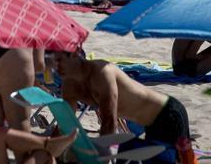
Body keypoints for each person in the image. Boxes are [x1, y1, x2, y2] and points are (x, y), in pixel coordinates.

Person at [54, 51, 192, 148]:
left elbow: (109, 121)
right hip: (149, 124)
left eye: (59, 60)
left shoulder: (102, 72)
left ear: (74, 55)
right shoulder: (69, 83)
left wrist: (100, 162)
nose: (56, 67)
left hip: (168, 113)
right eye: (53, 61)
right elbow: (66, 122)